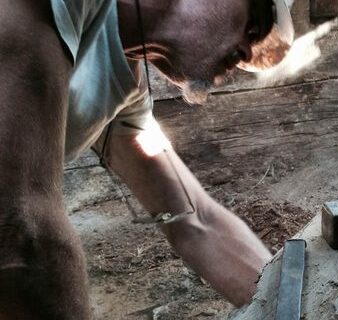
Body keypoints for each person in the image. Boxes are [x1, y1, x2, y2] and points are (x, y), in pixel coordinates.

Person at [0, 0, 294, 318]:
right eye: (257, 21)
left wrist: (295, 304)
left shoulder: (120, 86)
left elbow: (198, 222)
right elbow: (20, 233)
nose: (249, 54)